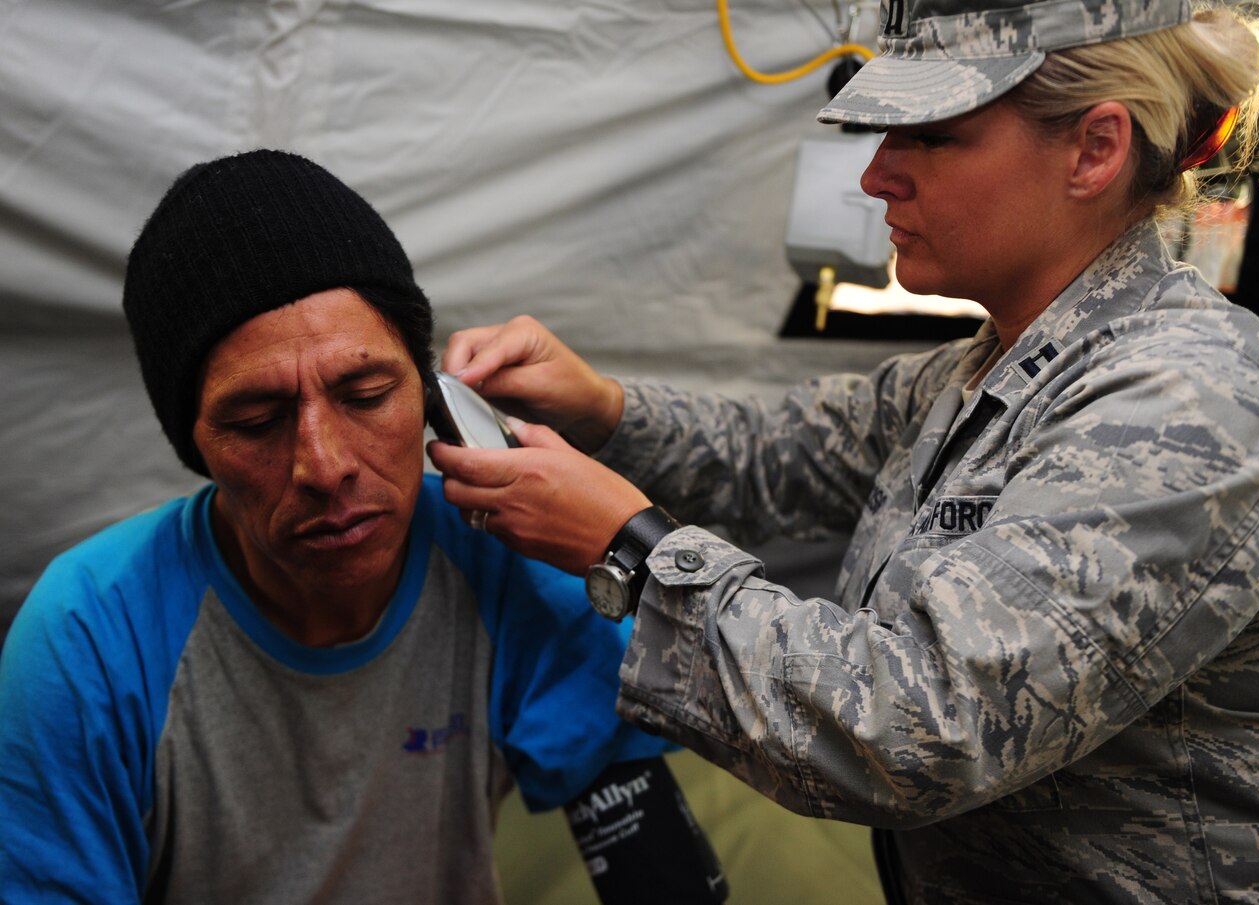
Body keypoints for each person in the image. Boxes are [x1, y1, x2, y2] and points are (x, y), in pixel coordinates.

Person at [427, 0, 1259, 901]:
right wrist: (602, 410)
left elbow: (914, 726)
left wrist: (629, 549)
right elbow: (776, 454)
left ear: (1095, 149)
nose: (876, 176)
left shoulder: (1187, 406)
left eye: (933, 137)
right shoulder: (996, 365)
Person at [0, 150, 728, 905]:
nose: (325, 465)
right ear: (197, 445)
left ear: (431, 397)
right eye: (257, 421)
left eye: (367, 394)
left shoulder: (504, 559)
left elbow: (663, 875)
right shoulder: (88, 637)